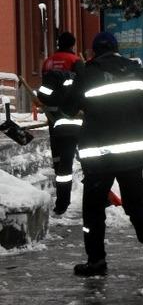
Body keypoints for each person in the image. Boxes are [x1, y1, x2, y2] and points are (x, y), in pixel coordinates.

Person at [63, 32, 143, 277]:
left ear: (94, 52)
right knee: (137, 205)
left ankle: (96, 260)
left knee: (93, 211)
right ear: (116, 48)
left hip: (100, 157)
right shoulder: (136, 71)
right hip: (133, 155)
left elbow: (68, 108)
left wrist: (72, 84)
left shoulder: (88, 74)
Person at [36, 31, 85, 215]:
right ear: (72, 45)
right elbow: (82, 87)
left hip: (53, 117)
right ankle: (98, 193)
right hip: (73, 116)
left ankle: (61, 203)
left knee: (59, 161)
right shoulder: (75, 61)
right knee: (83, 156)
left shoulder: (48, 61)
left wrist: (46, 102)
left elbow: (44, 89)